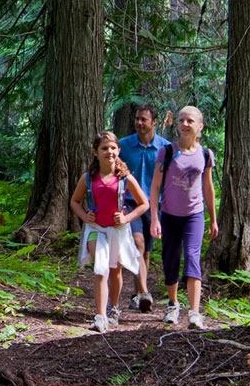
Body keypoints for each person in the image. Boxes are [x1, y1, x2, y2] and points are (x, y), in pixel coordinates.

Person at [70, 131, 149, 332]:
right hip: (96, 230)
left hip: (118, 231)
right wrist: (84, 216)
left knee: (115, 270)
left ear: (119, 151)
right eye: (104, 148)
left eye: (113, 148)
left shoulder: (125, 178)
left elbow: (143, 204)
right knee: (101, 267)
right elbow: (74, 201)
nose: (109, 152)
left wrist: (126, 218)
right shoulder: (88, 178)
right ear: (95, 152)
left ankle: (113, 308)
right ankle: (100, 316)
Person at [150, 105, 218, 329]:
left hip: (194, 216)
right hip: (169, 214)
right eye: (181, 121)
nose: (185, 124)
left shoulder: (205, 155)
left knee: (192, 257)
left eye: (190, 121)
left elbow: (208, 188)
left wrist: (213, 219)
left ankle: (195, 312)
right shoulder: (167, 152)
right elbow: (156, 186)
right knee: (170, 258)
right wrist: (154, 218)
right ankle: (172, 304)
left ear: (199, 126)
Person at [116, 104, 172, 313]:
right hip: (130, 203)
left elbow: (171, 178)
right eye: (137, 119)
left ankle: (137, 294)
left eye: (144, 120)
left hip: (154, 205)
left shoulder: (165, 148)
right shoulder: (123, 145)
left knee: (146, 251)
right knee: (137, 242)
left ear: (154, 122)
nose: (139, 123)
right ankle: (145, 292)